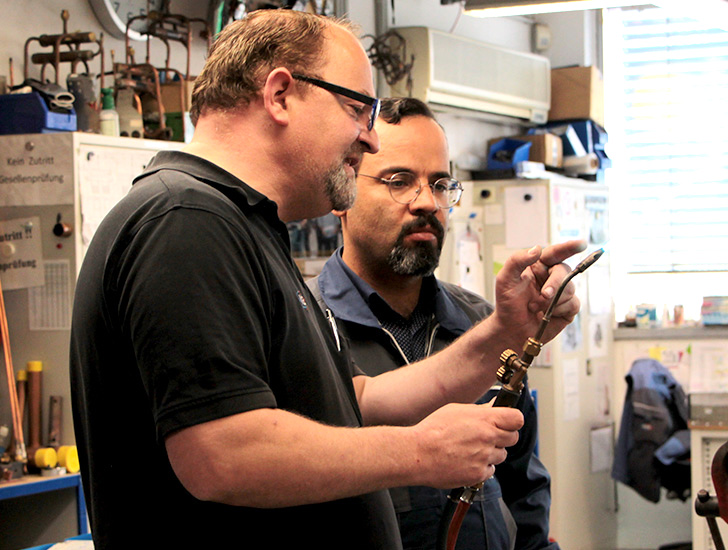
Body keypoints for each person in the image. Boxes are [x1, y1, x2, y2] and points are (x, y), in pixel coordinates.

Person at [68, 10, 582, 549]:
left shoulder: (245, 228)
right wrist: (420, 452)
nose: (370, 140)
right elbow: (222, 454)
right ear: (281, 95)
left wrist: (504, 330)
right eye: (358, 109)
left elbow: (355, 400)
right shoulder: (186, 220)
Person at [307, 98, 561, 550]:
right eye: (399, 181)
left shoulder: (483, 322)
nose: (427, 202)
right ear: (341, 195)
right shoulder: (306, 326)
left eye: (440, 184)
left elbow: (523, 483)